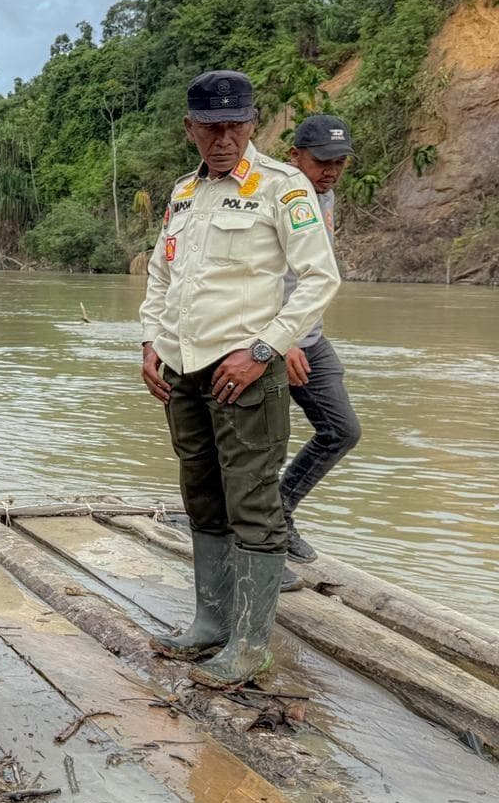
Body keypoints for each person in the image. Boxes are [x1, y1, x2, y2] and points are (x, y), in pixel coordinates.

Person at [138, 70, 341, 688]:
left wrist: (263, 350)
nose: (222, 138)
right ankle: (209, 622)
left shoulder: (283, 189)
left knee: (253, 503)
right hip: (183, 370)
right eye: (209, 127)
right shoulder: (182, 194)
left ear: (253, 125)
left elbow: (319, 279)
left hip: (245, 374)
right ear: (190, 129)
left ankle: (251, 645)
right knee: (202, 495)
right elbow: (160, 276)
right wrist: (150, 341)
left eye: (234, 126)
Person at [279, 115, 362, 566]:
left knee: (341, 430)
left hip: (309, 337)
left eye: (340, 162)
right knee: (258, 444)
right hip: (270, 340)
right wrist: (282, 339)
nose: (331, 170)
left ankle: (280, 510)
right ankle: (247, 533)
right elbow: (262, 276)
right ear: (295, 156)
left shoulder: (325, 197)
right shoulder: (277, 193)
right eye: (322, 161)